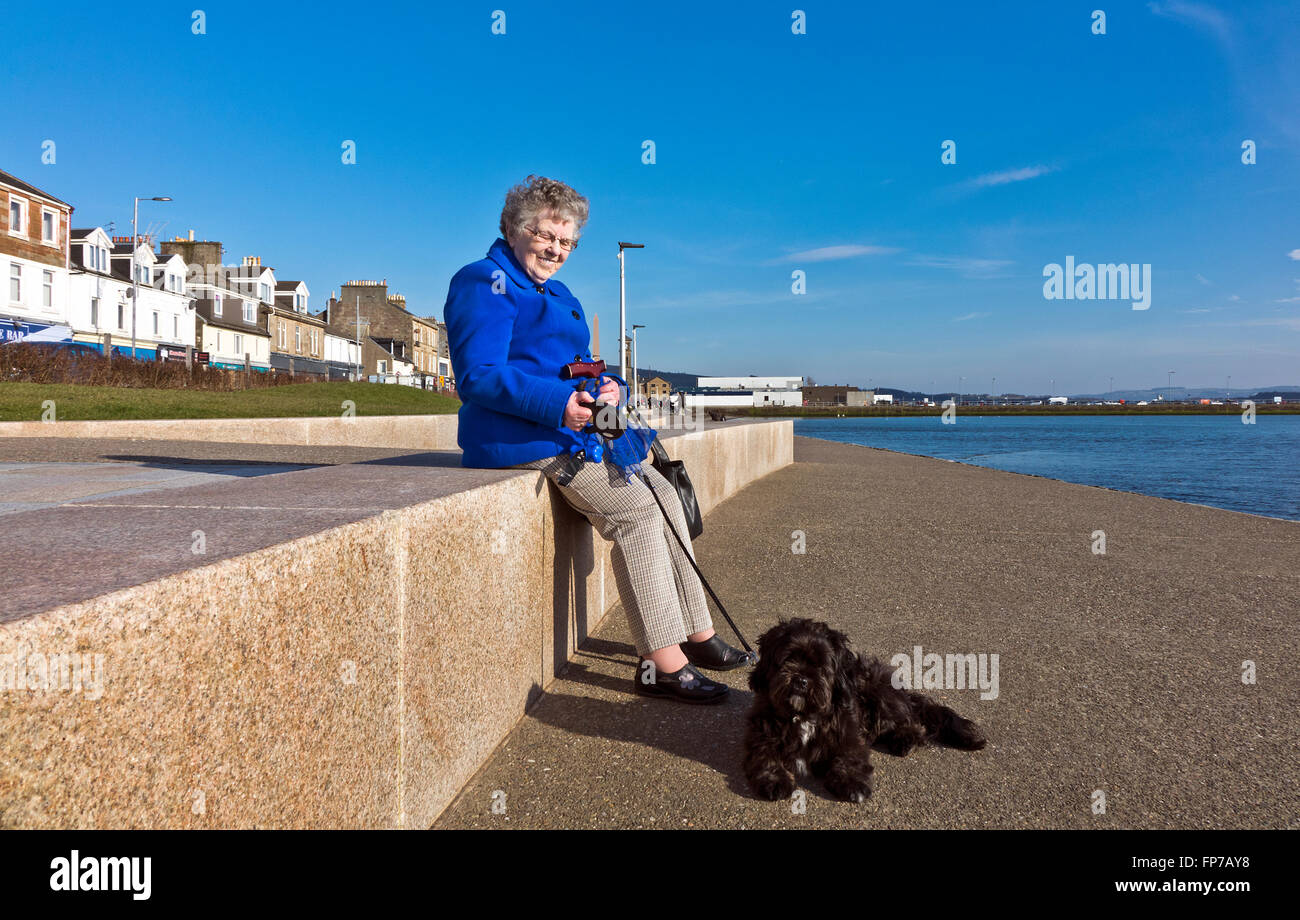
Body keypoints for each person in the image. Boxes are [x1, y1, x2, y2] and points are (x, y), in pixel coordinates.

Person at [442, 175, 752, 704]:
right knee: (635, 509)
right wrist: (556, 403)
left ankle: (697, 633)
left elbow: (583, 368)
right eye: (546, 237)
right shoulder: (483, 281)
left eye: (567, 242)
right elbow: (478, 374)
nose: (556, 251)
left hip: (581, 427)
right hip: (525, 437)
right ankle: (660, 662)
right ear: (515, 229)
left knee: (665, 492)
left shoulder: (560, 295)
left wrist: (611, 386)